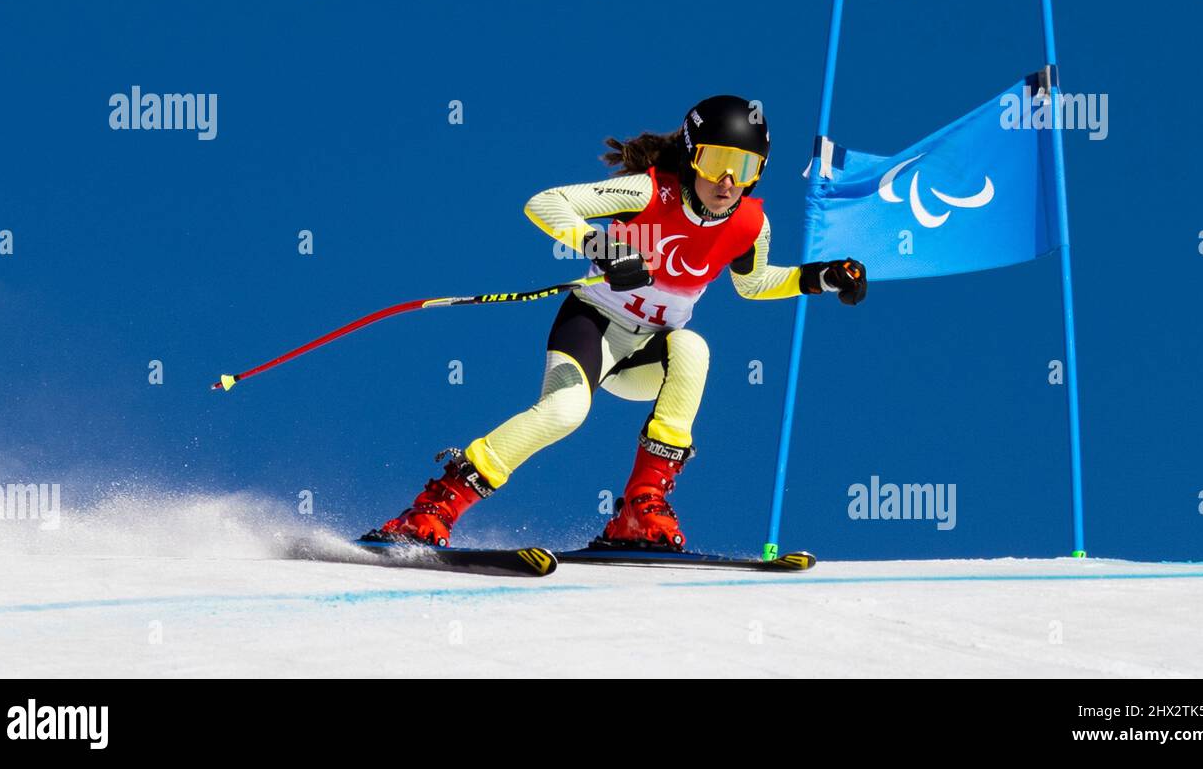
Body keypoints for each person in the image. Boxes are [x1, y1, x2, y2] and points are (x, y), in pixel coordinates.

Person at [367, 95, 866, 550]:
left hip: (647, 353)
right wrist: (601, 247)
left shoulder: (749, 226)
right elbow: (545, 203)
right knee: (564, 412)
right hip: (593, 326)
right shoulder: (649, 194)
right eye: (716, 161)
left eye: (744, 166)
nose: (727, 180)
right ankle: (433, 509)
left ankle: (638, 509)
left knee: (693, 347)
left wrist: (820, 277)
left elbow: (752, 284)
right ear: (692, 157)